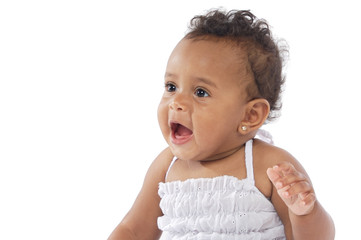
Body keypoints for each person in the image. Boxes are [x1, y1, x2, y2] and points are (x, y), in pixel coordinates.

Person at [108, 9, 335, 240]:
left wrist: (305, 213)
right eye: (171, 87)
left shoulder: (268, 166)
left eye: (200, 92)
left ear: (251, 115)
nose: (176, 102)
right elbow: (134, 230)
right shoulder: (167, 166)